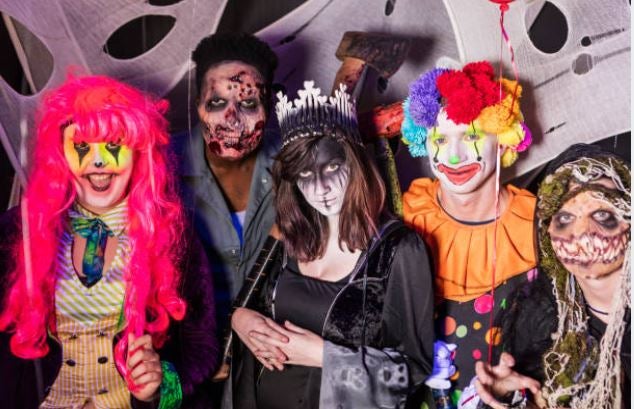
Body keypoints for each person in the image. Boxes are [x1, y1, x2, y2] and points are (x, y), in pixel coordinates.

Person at [0, 75, 218, 408]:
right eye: (82, 146)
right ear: (61, 153)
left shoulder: (175, 235)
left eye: (114, 145)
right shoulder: (17, 231)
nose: (99, 161)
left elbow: (201, 348)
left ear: (138, 152)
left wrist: (160, 384)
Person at [228, 81, 435, 408]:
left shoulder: (400, 250)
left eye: (332, 167)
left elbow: (412, 373)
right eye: (305, 175)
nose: (320, 188)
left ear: (355, 164)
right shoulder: (291, 237)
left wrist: (324, 356)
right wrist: (241, 320)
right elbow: (258, 310)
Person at [400, 61, 536, 406]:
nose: (454, 156)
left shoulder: (536, 223)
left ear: (502, 142)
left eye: (472, 136)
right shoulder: (408, 213)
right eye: (440, 139)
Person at [474, 144, 631, 409]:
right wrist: (503, 397)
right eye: (565, 218)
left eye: (602, 214)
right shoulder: (538, 321)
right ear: (548, 237)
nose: (582, 233)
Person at [171, 32, 279, 343]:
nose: (232, 119)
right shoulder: (161, 167)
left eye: (248, 103)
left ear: (268, 108)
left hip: (275, 352)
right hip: (190, 353)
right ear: (197, 105)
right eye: (217, 102)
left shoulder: (298, 164)